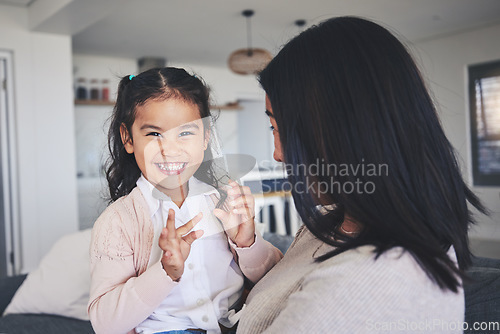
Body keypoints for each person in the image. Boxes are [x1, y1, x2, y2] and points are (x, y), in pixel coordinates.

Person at [235, 16, 487, 333]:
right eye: (273, 128)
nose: (278, 154)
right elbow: (287, 285)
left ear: (344, 133)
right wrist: (247, 245)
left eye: (280, 129)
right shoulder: (335, 220)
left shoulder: (368, 283)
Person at [87, 67, 282, 334]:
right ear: (127, 138)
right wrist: (165, 272)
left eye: (185, 133)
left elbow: (276, 279)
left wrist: (246, 242)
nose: (170, 150)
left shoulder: (221, 201)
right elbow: (105, 322)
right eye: (154, 134)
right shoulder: (118, 222)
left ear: (205, 137)